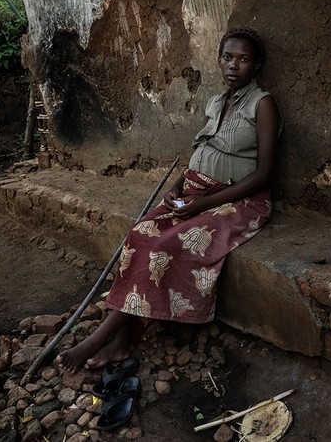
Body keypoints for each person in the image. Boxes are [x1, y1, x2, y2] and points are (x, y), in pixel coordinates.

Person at [56, 27, 281, 373]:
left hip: (240, 200)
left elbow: (264, 173)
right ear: (219, 61)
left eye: (243, 59)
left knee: (167, 244)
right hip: (195, 190)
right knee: (140, 233)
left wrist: (204, 204)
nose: (233, 65)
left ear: (257, 65)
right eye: (227, 57)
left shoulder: (262, 104)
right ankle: (123, 338)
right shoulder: (216, 102)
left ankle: (103, 337)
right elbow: (200, 150)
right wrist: (177, 185)